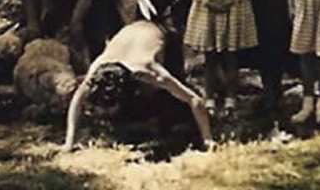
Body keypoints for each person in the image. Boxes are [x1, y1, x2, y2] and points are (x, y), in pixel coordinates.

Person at [62, 20, 213, 152]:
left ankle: (175, 122)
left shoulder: (151, 71)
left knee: (173, 98)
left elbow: (195, 100)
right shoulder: (99, 69)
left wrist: (208, 139)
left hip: (161, 32)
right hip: (131, 31)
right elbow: (77, 100)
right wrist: (69, 142)